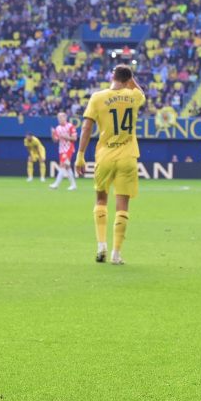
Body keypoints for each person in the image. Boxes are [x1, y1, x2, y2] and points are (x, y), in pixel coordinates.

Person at [75, 65, 145, 265]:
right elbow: (141, 93)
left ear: (111, 76)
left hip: (105, 155)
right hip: (128, 157)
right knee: (122, 205)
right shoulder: (133, 96)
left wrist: (80, 154)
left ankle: (101, 246)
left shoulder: (97, 97)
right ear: (129, 79)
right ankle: (116, 253)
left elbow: (86, 126)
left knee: (101, 200)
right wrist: (131, 79)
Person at [49, 112, 77, 190]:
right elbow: (55, 140)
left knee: (62, 165)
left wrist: (66, 137)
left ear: (65, 118)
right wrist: (52, 133)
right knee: (67, 167)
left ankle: (56, 184)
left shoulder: (70, 126)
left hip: (69, 148)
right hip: (61, 149)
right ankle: (73, 185)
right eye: (58, 118)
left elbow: (74, 138)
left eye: (61, 117)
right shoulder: (58, 128)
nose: (60, 119)